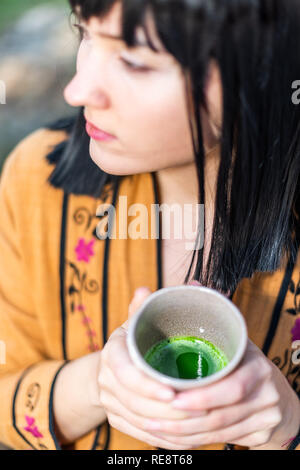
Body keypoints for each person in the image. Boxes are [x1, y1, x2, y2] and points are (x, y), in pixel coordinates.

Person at [0, 0, 299, 451]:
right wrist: (98, 384)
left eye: (135, 62)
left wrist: (285, 426)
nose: (77, 90)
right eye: (84, 32)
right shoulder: (34, 182)